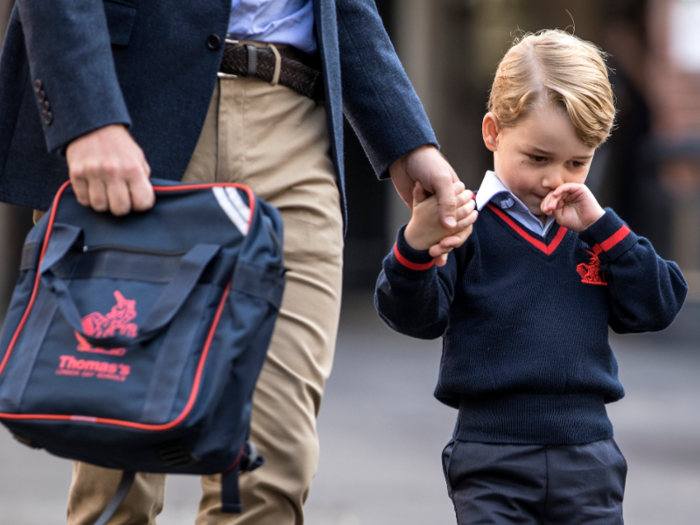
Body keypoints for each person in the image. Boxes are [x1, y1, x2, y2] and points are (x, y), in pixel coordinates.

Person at [0, 1, 478, 524]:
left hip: (293, 122)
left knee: (273, 472)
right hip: (134, 112)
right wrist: (88, 116)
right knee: (115, 483)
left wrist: (407, 140)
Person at [374, 29, 688, 524]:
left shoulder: (596, 232)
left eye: (577, 162)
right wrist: (416, 244)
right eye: (538, 158)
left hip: (589, 457)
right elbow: (413, 315)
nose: (555, 179)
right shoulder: (467, 226)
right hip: (490, 455)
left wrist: (605, 228)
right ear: (493, 133)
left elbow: (660, 305)